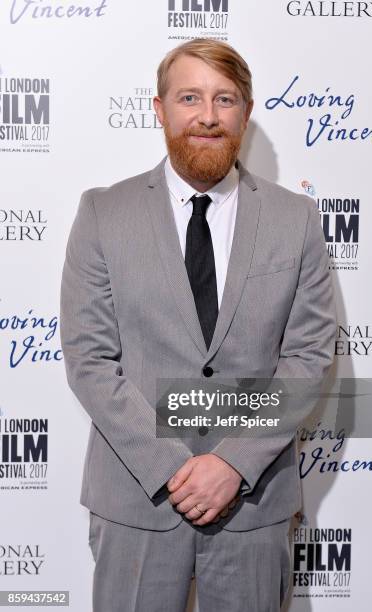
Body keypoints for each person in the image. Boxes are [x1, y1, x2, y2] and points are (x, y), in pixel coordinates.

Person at [60, 38, 336, 612]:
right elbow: (89, 359)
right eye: (190, 97)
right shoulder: (102, 213)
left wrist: (234, 462)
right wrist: (172, 468)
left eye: (224, 99)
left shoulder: (296, 218)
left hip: (254, 503)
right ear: (159, 109)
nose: (207, 116)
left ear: (247, 112)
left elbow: (308, 357)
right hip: (138, 499)